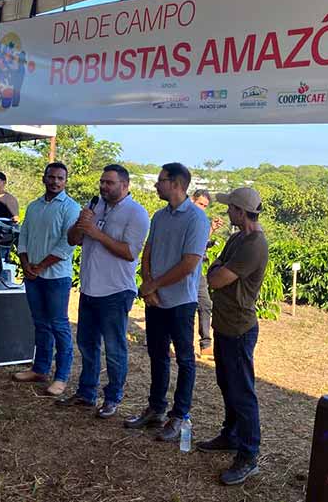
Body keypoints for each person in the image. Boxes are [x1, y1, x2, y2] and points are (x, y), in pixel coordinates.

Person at [124, 162, 209, 442]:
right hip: (155, 300)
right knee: (157, 355)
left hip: (181, 301)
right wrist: (148, 285)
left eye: (160, 180)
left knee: (185, 360)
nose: (156, 185)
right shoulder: (159, 216)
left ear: (175, 184)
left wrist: (154, 285)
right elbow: (148, 251)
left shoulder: (197, 219)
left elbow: (190, 263)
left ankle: (179, 415)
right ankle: (156, 409)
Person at [59, 164, 150, 419]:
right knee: (87, 344)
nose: (103, 187)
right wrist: (81, 224)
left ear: (125, 185)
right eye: (102, 182)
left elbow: (130, 252)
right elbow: (72, 240)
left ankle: (112, 398)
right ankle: (86, 393)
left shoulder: (137, 213)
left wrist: (97, 233)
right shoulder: (95, 206)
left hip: (116, 291)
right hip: (89, 288)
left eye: (109, 183)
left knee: (114, 348)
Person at [197, 187, 268, 486]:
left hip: (239, 328)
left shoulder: (253, 245)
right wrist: (217, 267)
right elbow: (215, 269)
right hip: (226, 325)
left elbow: (215, 276)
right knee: (228, 384)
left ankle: (249, 455)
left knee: (242, 392)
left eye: (230, 208)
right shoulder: (238, 238)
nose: (226, 212)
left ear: (240, 211)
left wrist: (217, 268)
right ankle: (231, 434)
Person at [12, 163, 81, 397]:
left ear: (65, 181)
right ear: (44, 178)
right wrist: (25, 264)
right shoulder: (34, 206)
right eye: (51, 177)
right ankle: (40, 369)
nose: (55, 182)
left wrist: (41, 266)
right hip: (33, 276)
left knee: (59, 325)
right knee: (40, 324)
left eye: (60, 178)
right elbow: (24, 237)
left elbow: (67, 243)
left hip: (56, 277)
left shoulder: (71, 207)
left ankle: (61, 376)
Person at [191, 188, 225, 358]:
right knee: (180, 307)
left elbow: (200, 243)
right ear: (192, 200)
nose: (202, 208)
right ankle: (171, 342)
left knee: (205, 305)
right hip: (180, 272)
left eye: (205, 205)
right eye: (200, 204)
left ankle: (205, 344)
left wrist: (211, 228)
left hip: (197, 271)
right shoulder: (183, 219)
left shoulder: (202, 221)